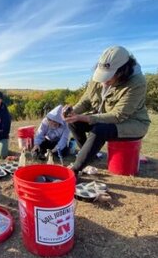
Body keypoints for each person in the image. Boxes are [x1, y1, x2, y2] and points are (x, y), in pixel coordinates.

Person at [63, 46, 151, 176]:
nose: (104, 81)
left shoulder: (137, 83)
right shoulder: (97, 78)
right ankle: (88, 155)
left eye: (109, 76)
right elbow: (86, 100)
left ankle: (75, 170)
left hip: (133, 122)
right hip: (104, 118)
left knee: (100, 130)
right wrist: (72, 112)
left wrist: (85, 118)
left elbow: (118, 115)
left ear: (123, 71)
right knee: (74, 122)